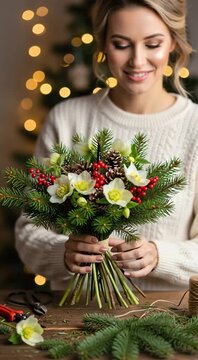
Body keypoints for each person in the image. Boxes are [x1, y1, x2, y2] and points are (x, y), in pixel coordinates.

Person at [15, 0, 198, 292]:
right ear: (102, 44)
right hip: (72, 319)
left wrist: (160, 255)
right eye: (121, 44)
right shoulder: (67, 119)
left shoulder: (195, 127)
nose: (137, 61)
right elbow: (29, 232)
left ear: (174, 44)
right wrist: (62, 252)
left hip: (168, 320)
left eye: (152, 44)